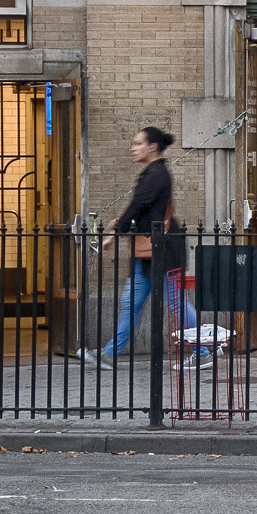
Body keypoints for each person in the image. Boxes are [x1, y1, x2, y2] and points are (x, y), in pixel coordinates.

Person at [87, 126, 200, 366]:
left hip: (163, 251)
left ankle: (202, 352)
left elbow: (137, 205)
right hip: (147, 253)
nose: (133, 148)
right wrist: (121, 228)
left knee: (176, 303)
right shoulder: (151, 173)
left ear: (152, 147)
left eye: (138, 143)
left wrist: (115, 234)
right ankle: (109, 354)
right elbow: (145, 211)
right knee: (131, 304)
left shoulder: (156, 174)